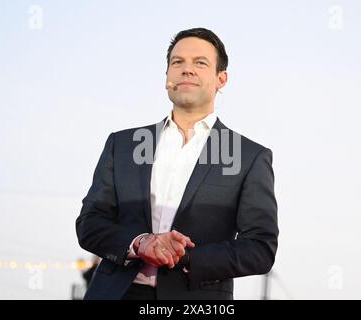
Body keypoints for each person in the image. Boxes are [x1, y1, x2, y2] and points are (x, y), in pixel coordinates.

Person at [75, 27, 278, 300]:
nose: (187, 70)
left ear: (221, 79)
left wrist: (185, 257)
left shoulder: (249, 156)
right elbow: (89, 223)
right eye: (177, 62)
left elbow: (260, 248)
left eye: (200, 63)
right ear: (167, 77)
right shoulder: (122, 145)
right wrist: (140, 243)